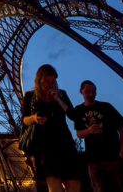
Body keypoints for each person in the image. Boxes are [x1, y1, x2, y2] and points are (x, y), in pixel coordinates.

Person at [21, 64, 82, 192]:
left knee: (74, 185)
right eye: (47, 81)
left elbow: (72, 115)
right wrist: (34, 118)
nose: (50, 84)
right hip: (45, 146)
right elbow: (24, 120)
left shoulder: (61, 94)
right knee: (54, 187)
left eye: (53, 81)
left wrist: (57, 98)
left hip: (65, 143)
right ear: (39, 79)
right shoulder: (30, 96)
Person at [73, 80, 123, 192]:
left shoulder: (106, 107)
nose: (91, 94)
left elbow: (122, 130)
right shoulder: (78, 110)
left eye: (93, 91)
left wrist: (122, 153)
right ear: (81, 92)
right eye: (88, 91)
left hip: (113, 157)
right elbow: (79, 134)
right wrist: (89, 131)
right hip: (94, 160)